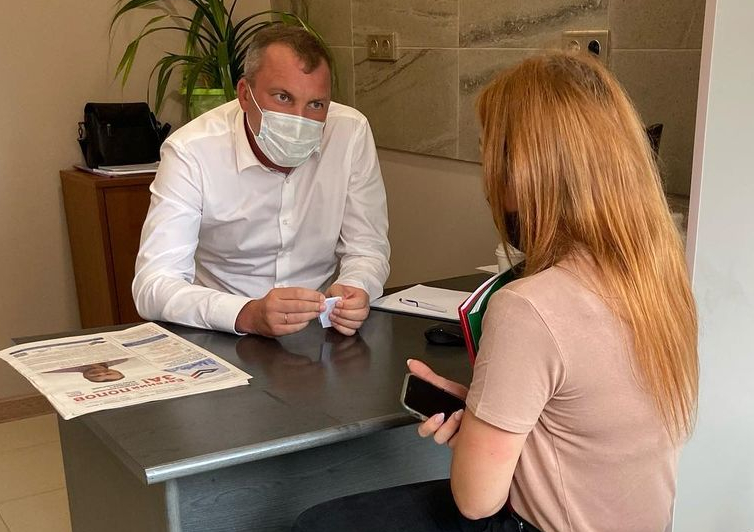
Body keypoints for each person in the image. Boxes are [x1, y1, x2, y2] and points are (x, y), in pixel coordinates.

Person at [291, 52, 699, 532]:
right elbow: (579, 430)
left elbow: (477, 500)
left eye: (488, 151)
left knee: (319, 524)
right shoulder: (661, 283)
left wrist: (471, 438)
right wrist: (490, 416)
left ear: (520, 171)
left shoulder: (529, 307)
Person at [132, 24, 390, 338]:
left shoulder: (349, 132)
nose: (299, 120)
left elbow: (367, 248)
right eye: (283, 97)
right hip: (223, 332)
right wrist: (247, 313)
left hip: (318, 330)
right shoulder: (191, 151)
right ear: (245, 94)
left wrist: (356, 285)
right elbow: (154, 285)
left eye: (316, 104)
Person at [45, 358, 128, 383]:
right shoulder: (121, 359)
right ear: (114, 370)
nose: (101, 373)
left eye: (96, 376)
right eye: (109, 374)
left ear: (85, 376)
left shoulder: (57, 369)